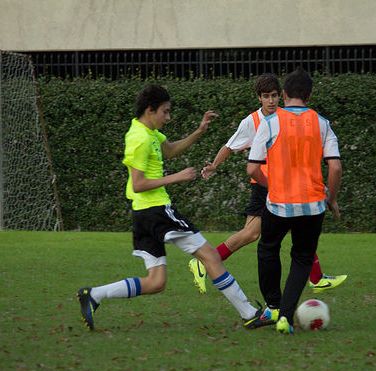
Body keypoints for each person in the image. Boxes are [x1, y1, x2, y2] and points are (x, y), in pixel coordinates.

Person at [77, 84, 262, 330]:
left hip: (143, 216)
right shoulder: (140, 139)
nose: (168, 117)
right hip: (156, 210)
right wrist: (177, 177)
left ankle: (94, 295)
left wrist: (199, 131)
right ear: (150, 110)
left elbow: (171, 149)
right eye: (165, 111)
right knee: (210, 256)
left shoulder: (149, 132)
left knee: (156, 282)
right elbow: (139, 183)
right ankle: (249, 313)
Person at [189, 73, 346, 301]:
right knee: (252, 233)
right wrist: (214, 165)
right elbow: (230, 146)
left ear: (281, 96)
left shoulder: (284, 118)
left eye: (274, 96)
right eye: (266, 96)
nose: (271, 101)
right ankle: (205, 260)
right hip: (265, 187)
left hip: (283, 187)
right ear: (259, 99)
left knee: (290, 228)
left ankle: (317, 278)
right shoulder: (251, 122)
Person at [247, 68, 343, 334]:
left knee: (268, 248)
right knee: (302, 258)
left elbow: (252, 170)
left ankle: (274, 306)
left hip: (278, 204)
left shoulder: (269, 122)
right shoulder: (322, 122)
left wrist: (273, 185)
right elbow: (335, 168)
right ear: (309, 95)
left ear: (285, 94)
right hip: (313, 206)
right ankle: (286, 318)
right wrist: (331, 199)